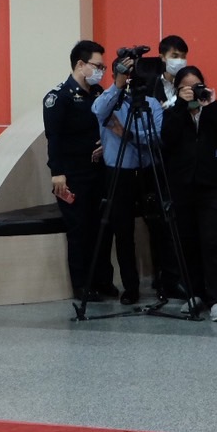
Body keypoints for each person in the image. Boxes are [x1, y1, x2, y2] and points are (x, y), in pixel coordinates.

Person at [162, 65, 217, 321]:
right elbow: (167, 140)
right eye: (186, 86)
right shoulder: (174, 113)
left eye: (196, 85)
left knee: (214, 242)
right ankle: (194, 293)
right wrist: (180, 108)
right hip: (183, 186)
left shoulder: (215, 109)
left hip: (213, 186)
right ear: (178, 90)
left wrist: (212, 105)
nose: (192, 91)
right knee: (187, 243)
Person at [94, 55, 166, 303]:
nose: (131, 77)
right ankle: (131, 287)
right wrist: (118, 83)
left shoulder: (151, 104)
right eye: (126, 73)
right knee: (122, 232)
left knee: (157, 226)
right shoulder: (109, 101)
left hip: (147, 170)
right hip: (118, 173)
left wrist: (127, 134)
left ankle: (162, 281)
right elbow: (98, 112)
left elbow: (157, 137)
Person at [44, 40, 111, 303]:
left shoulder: (98, 93)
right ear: (81, 65)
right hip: (72, 174)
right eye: (98, 66)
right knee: (79, 230)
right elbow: (54, 138)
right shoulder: (58, 97)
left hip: (98, 171)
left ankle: (101, 280)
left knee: (100, 228)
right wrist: (57, 172)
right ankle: (81, 285)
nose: (101, 72)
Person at [158, 35, 189, 105]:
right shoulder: (152, 84)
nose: (180, 60)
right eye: (175, 56)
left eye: (183, 56)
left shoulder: (188, 83)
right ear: (162, 57)